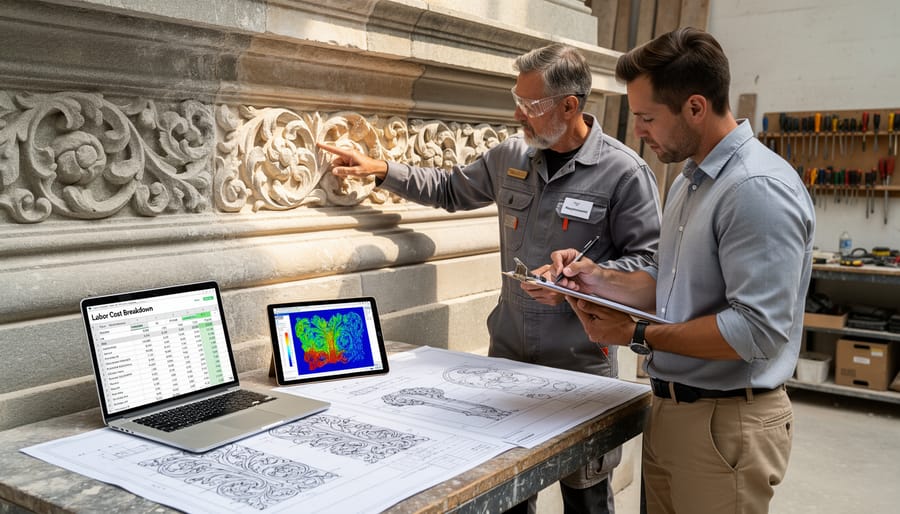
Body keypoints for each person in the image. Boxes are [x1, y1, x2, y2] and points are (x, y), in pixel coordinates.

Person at [317, 43, 661, 514]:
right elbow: (449, 189)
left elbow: (649, 265)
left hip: (580, 369)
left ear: (569, 106)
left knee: (586, 499)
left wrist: (583, 280)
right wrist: (382, 170)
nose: (518, 115)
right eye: (517, 100)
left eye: (531, 105)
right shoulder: (510, 157)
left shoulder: (624, 173)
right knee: (508, 496)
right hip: (507, 364)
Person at [549, 27, 816, 514]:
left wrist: (636, 334)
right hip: (674, 410)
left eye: (647, 117)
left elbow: (756, 331)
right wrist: (597, 279)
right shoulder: (690, 181)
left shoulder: (755, 189)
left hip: (725, 422)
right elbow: (669, 284)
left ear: (695, 107)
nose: (638, 131)